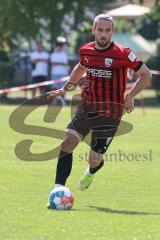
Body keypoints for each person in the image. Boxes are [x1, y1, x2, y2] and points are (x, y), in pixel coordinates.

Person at [47, 14, 152, 196]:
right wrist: (67, 87)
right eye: (100, 30)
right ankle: (58, 190)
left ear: (113, 31)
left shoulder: (123, 53)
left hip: (111, 113)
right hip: (87, 106)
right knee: (67, 143)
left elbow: (146, 74)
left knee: (93, 159)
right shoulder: (86, 50)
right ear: (93, 30)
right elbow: (80, 67)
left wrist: (131, 95)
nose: (103, 34)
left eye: (107, 30)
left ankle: (92, 170)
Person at [50, 36, 69, 104]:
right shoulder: (53, 54)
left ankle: (63, 101)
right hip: (54, 73)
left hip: (63, 73)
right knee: (54, 88)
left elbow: (65, 64)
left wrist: (58, 63)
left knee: (63, 89)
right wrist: (60, 63)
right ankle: (54, 101)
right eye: (58, 46)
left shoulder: (64, 54)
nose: (59, 47)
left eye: (60, 46)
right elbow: (53, 64)